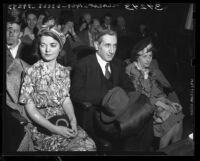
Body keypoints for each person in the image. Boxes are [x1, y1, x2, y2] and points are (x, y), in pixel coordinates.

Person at [70, 29, 154, 151]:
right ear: (97, 45)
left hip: (120, 110)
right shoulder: (83, 65)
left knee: (145, 115)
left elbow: (129, 87)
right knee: (137, 125)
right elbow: (75, 93)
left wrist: (119, 99)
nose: (112, 50)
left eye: (114, 45)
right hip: (97, 116)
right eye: (107, 45)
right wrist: (106, 97)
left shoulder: (118, 64)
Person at [18, 24, 96, 151]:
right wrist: (54, 129)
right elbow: (29, 108)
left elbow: (66, 99)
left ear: (60, 47)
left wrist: (73, 119)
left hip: (62, 120)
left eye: (53, 45)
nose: (47, 50)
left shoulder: (64, 72)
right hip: (42, 127)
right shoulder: (31, 72)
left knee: (90, 145)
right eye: (43, 45)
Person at [126, 37, 184, 149]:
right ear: (136, 56)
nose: (148, 60)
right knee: (170, 120)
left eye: (150, 56)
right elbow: (142, 96)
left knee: (178, 118)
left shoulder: (149, 68)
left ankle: (175, 151)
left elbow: (157, 91)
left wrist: (169, 102)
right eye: (145, 56)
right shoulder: (131, 70)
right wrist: (165, 106)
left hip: (156, 102)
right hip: (141, 106)